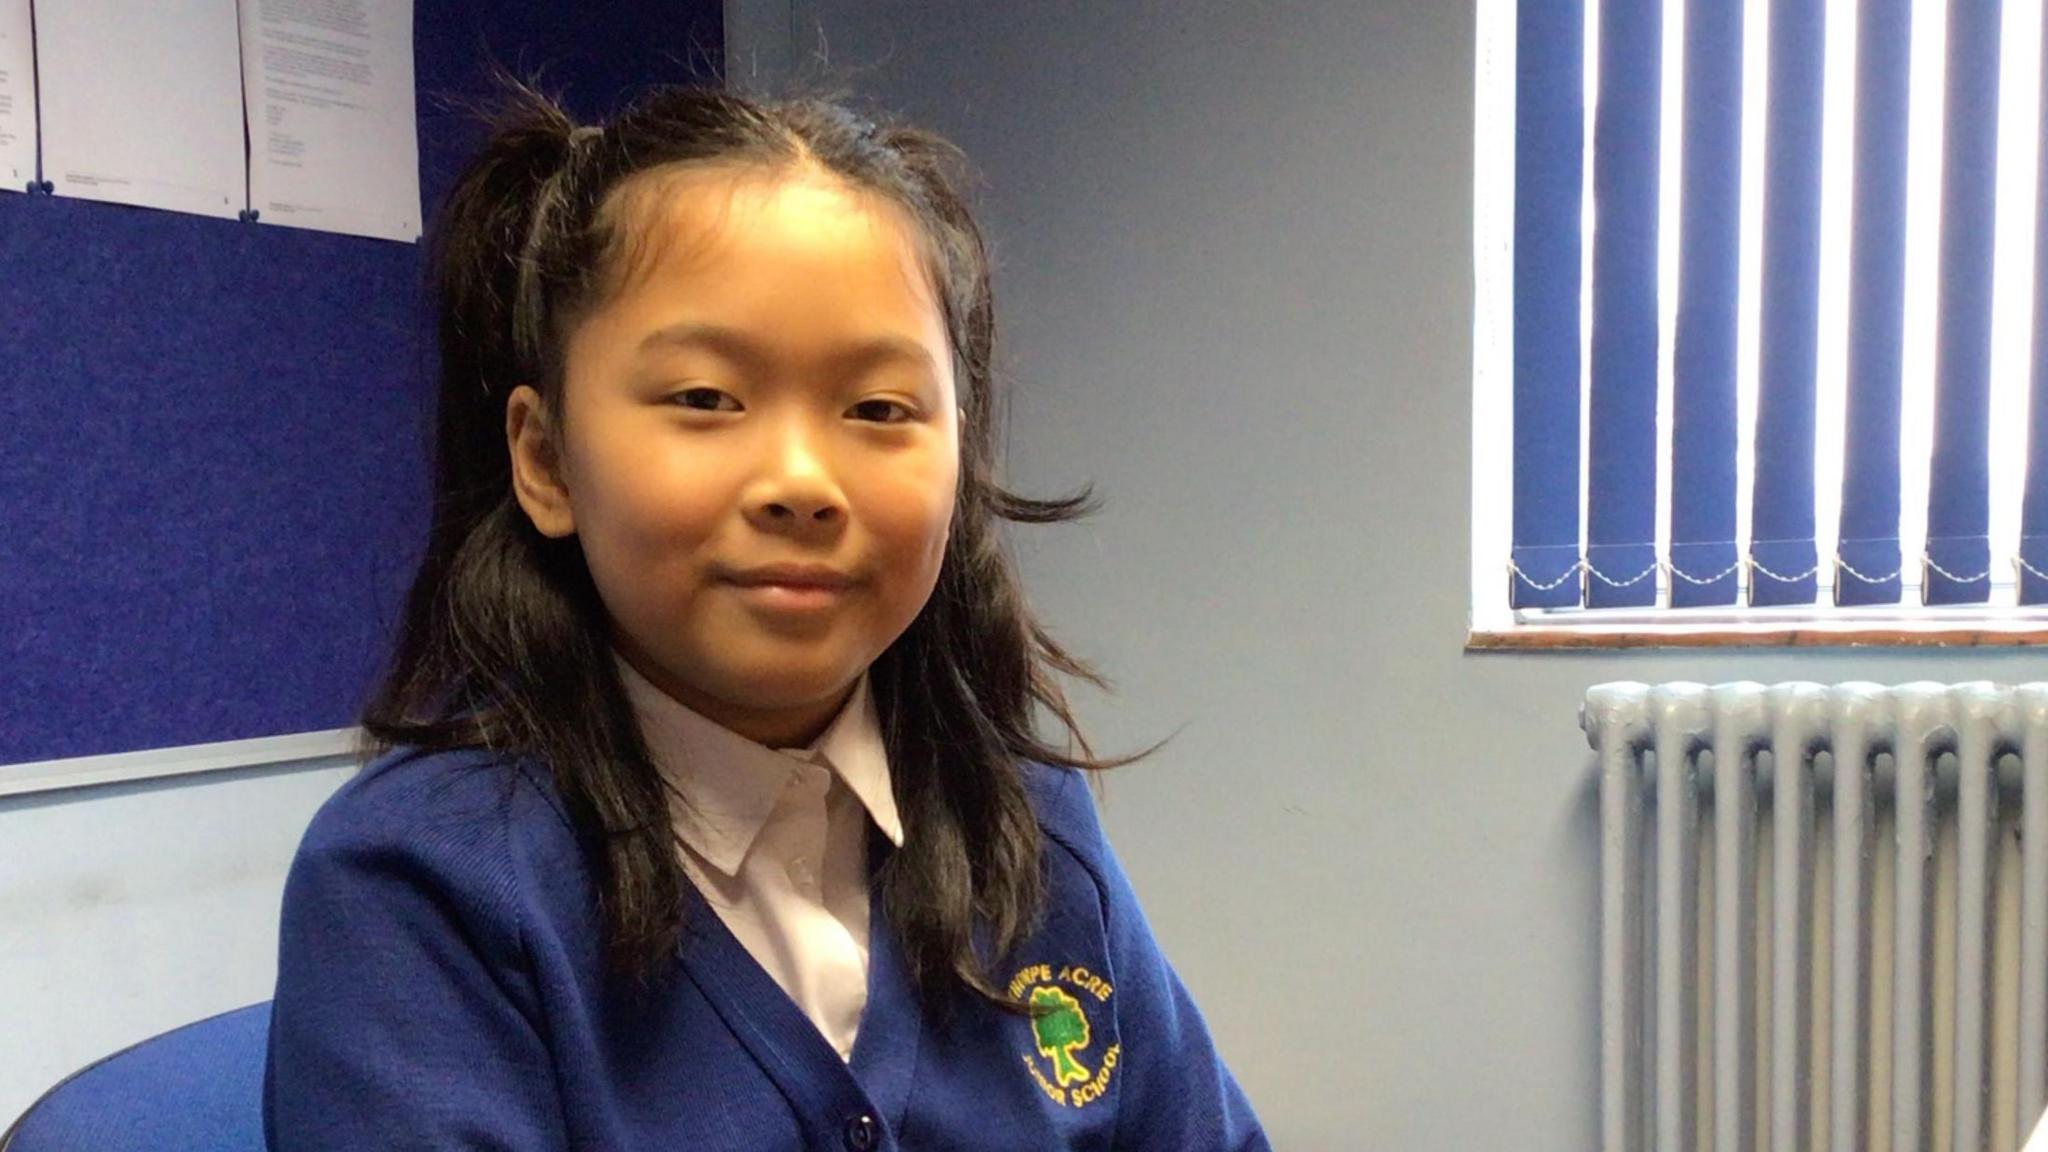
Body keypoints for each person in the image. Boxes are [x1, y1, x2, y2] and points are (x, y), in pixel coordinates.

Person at [262, 76, 1268, 1151]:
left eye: (879, 409)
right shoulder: (424, 880)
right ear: (546, 460)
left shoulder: (1023, 821)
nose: (800, 479)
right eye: (705, 398)